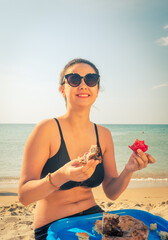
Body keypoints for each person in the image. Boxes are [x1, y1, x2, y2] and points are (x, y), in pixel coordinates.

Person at [18, 58, 155, 240]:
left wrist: (128, 170)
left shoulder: (104, 135)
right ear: (62, 90)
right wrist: (62, 176)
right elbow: (24, 196)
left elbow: (112, 193)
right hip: (52, 225)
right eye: (74, 79)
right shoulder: (46, 129)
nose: (83, 85)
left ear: (97, 90)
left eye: (90, 79)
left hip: (94, 219)